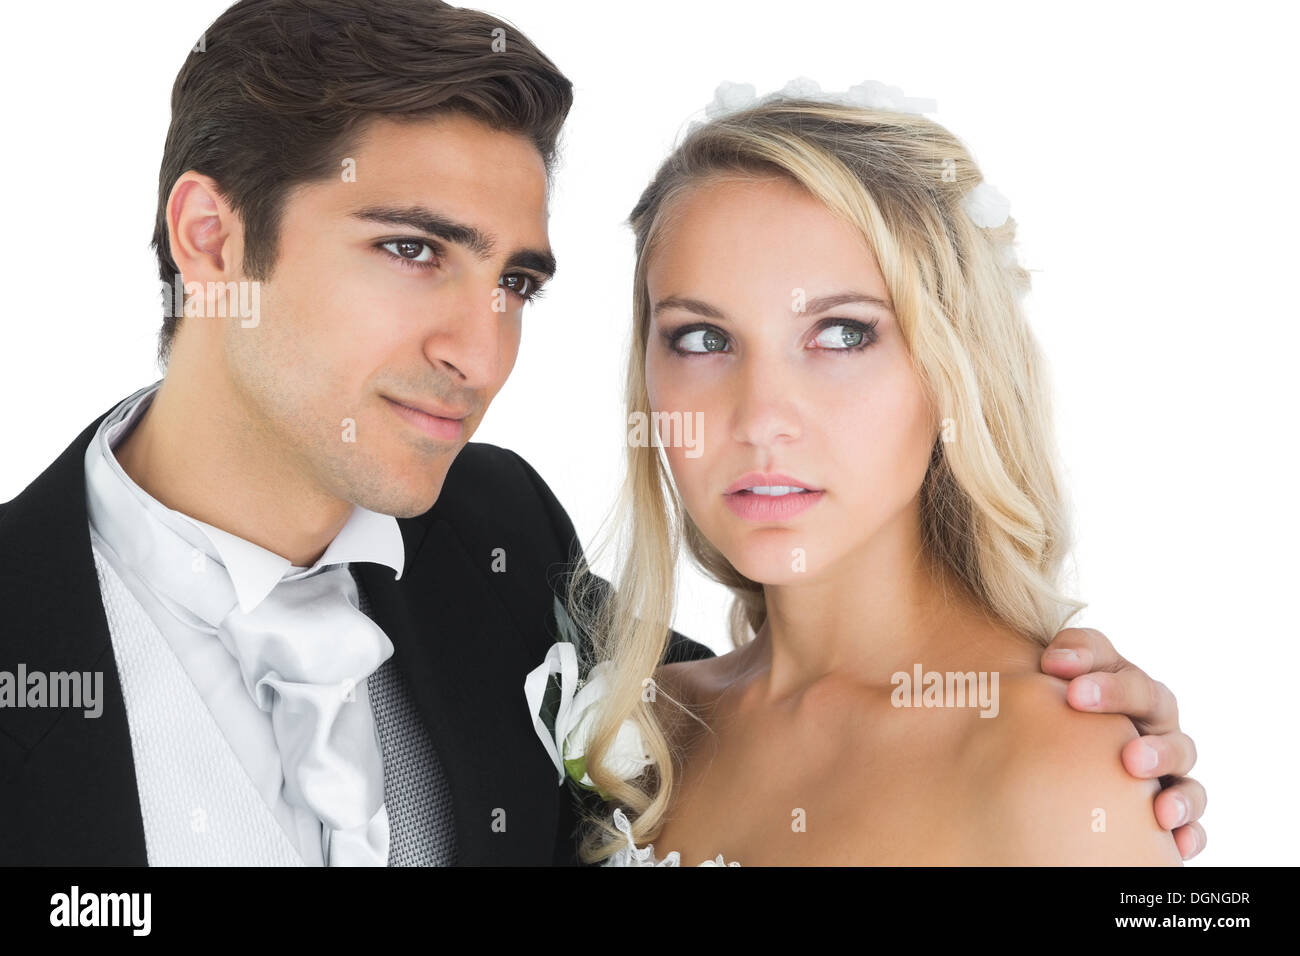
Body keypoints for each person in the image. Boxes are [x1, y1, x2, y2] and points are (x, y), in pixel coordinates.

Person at [0, 0, 1203, 866]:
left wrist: (1063, 716)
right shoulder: (645, 714)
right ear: (211, 241)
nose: (482, 352)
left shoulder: (500, 548)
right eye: (410, 249)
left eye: (514, 282)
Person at [559, 82, 1201, 865]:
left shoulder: (1052, 761)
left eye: (840, 333)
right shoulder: (646, 726)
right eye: (700, 338)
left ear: (953, 366)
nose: (760, 417)